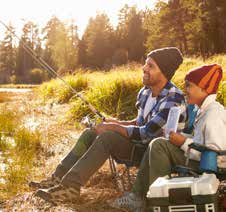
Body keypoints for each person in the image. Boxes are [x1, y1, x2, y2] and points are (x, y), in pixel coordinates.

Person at [31, 47, 187, 204]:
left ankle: (70, 188)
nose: (144, 68)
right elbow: (138, 123)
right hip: (138, 145)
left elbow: (145, 133)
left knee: (107, 138)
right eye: (146, 63)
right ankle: (57, 178)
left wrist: (112, 128)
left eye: (151, 66)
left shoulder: (173, 98)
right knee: (89, 133)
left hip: (151, 154)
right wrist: (113, 122)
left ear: (164, 73)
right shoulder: (146, 92)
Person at [110, 63, 226, 211]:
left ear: (204, 89)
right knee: (158, 142)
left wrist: (183, 142)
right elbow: (199, 140)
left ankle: (154, 201)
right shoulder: (202, 110)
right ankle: (139, 196)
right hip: (199, 159)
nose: (185, 90)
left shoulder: (213, 114)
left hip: (210, 167)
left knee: (159, 146)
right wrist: (179, 137)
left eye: (189, 86)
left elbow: (216, 156)